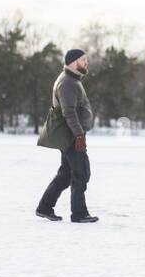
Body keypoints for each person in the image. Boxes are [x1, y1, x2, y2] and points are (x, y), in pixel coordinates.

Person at [35, 48, 99, 223]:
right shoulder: (68, 82)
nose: (86, 62)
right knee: (81, 173)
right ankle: (79, 214)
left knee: (66, 175)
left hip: (71, 135)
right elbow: (69, 112)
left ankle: (44, 208)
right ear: (73, 62)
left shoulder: (72, 80)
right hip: (71, 136)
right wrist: (79, 135)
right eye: (83, 60)